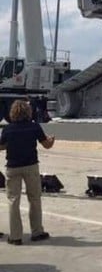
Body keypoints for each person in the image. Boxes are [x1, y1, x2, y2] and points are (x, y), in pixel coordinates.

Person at [0, 98, 55, 244]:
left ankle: (16, 236)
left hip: (12, 167)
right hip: (30, 166)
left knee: (13, 201)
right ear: (28, 112)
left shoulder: (7, 129)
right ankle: (37, 232)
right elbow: (47, 145)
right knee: (34, 199)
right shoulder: (34, 127)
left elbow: (1, 146)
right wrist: (52, 139)